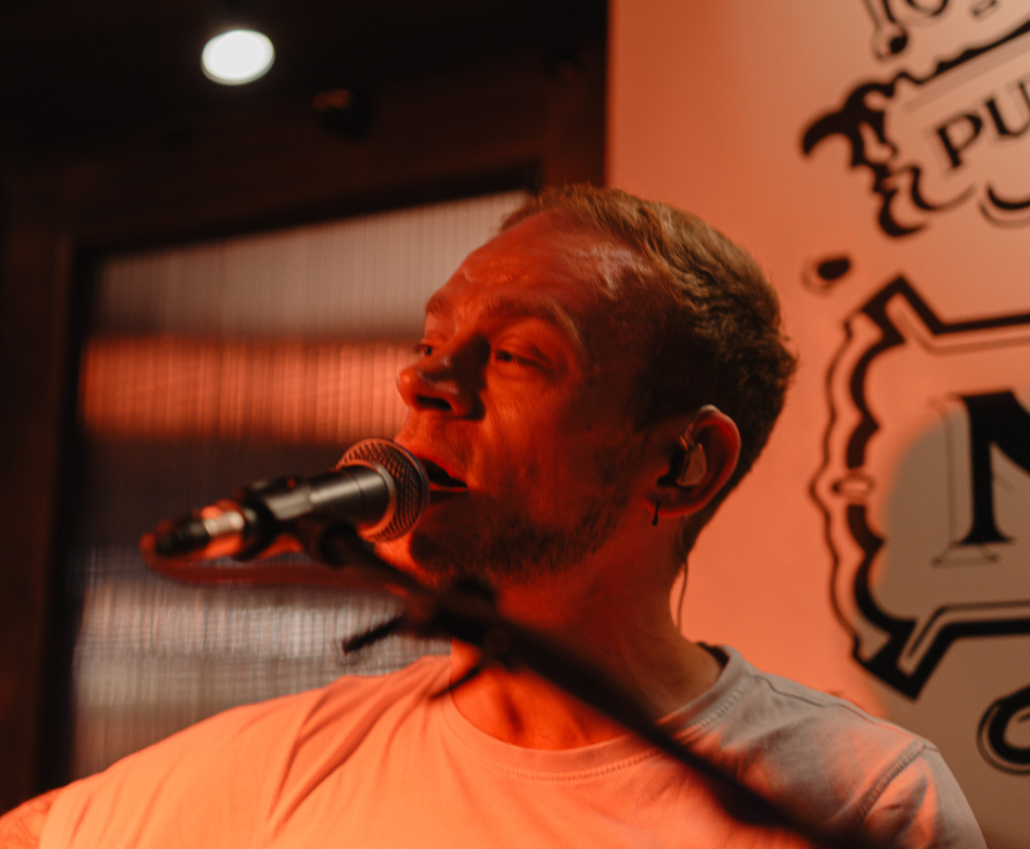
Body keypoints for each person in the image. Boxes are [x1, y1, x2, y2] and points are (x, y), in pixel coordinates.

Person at [1, 186, 984, 848]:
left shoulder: (859, 796)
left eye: (516, 355)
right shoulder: (291, 764)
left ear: (684, 462)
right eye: (430, 343)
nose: (425, 381)